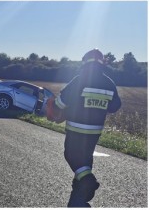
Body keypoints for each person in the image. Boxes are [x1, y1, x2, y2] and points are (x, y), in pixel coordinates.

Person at [47, 49, 121, 207]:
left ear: (85, 62)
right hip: (95, 131)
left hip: (76, 128)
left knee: (70, 154)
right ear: (102, 64)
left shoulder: (79, 80)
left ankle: (88, 181)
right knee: (86, 157)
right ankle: (80, 187)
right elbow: (115, 106)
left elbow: (61, 103)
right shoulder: (109, 83)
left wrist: (55, 108)